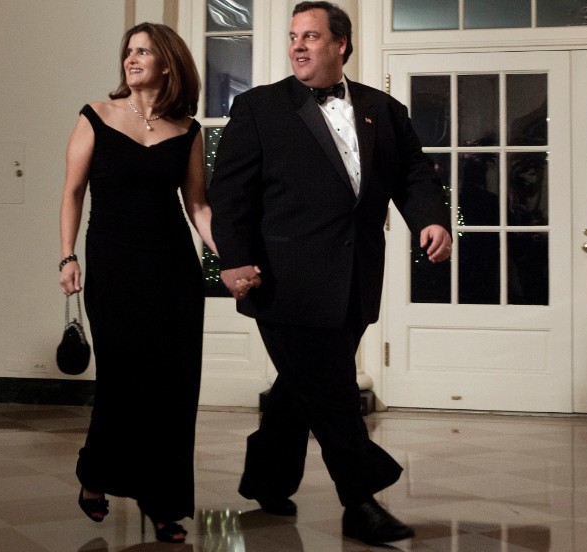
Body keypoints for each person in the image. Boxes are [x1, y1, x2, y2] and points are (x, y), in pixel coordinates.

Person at [206, 2, 452, 545]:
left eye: (310, 36)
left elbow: (413, 172)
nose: (297, 45)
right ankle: (360, 499)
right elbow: (229, 194)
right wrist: (233, 258)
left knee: (304, 385)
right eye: (294, 36)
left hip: (355, 277)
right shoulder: (257, 108)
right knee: (332, 388)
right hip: (281, 279)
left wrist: (431, 220)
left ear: (341, 44)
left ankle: (267, 478)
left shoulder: (383, 110)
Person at [58, 22, 214, 544]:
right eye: (128, 51)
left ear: (167, 63)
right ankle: (96, 473)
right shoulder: (95, 116)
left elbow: (197, 206)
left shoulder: (188, 130)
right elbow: (72, 192)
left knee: (173, 385)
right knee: (123, 377)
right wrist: (67, 257)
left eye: (143, 51)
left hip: (173, 270)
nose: (131, 58)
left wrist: (231, 256)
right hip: (114, 264)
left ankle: (165, 503)